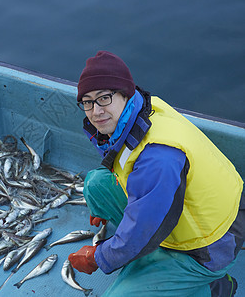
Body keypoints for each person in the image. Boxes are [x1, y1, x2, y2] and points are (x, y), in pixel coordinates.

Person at [67, 50, 244, 296]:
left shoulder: (158, 157)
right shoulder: (144, 109)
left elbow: (142, 230)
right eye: (87, 102)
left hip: (210, 245)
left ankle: (214, 288)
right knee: (96, 184)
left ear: (125, 94)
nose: (96, 111)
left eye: (104, 98)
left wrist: (98, 257)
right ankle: (146, 259)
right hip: (182, 209)